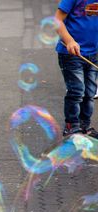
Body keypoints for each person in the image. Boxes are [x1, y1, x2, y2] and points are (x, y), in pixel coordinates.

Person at [55, 0, 98, 138]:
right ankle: (71, 125)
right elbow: (57, 20)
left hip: (94, 53)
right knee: (77, 91)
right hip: (71, 54)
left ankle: (84, 126)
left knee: (89, 92)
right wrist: (70, 41)